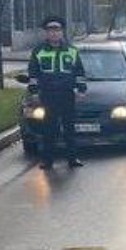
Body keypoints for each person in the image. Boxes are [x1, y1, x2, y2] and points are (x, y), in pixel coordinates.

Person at [27, 16, 86, 168]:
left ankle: (72, 159)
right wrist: (34, 93)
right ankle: (48, 161)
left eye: (57, 30)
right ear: (46, 33)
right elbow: (33, 74)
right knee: (49, 129)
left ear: (62, 32)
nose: (54, 33)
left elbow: (79, 72)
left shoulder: (72, 51)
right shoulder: (38, 52)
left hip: (67, 94)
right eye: (50, 30)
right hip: (48, 95)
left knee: (69, 128)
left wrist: (81, 90)